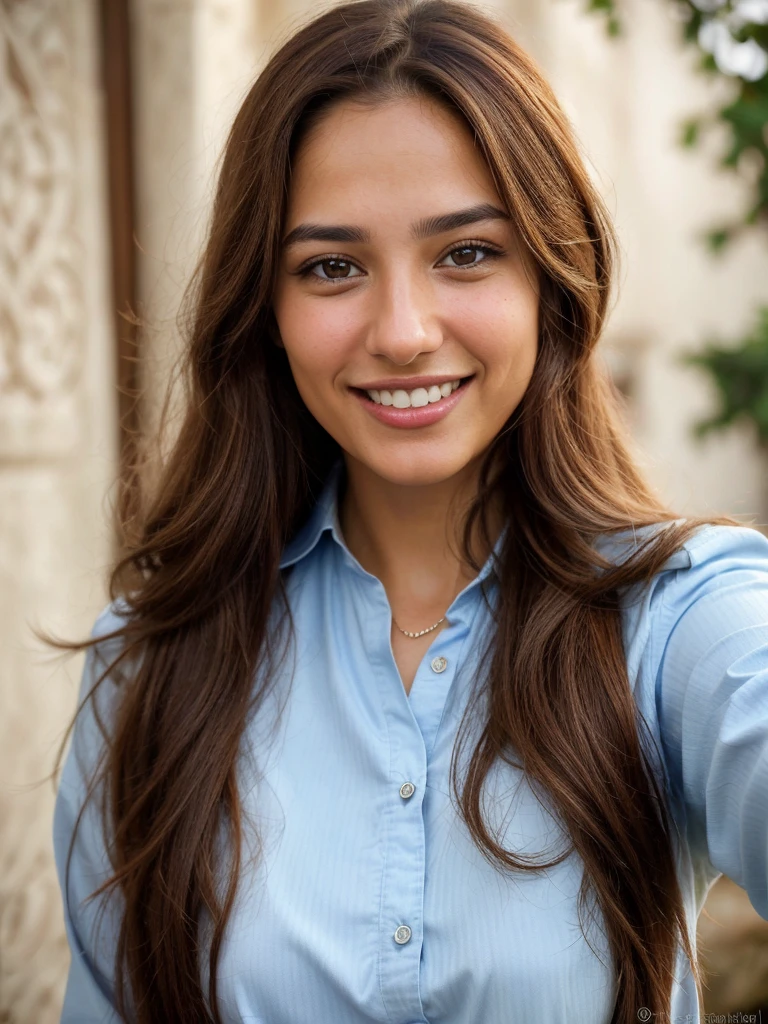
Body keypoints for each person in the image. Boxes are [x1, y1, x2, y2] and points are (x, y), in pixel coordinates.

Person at [51, 0, 768, 1021]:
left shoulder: (679, 622)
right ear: (267, 307)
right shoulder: (144, 667)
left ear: (550, 282)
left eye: (466, 252)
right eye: (331, 267)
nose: (401, 330)